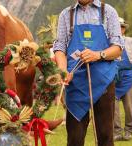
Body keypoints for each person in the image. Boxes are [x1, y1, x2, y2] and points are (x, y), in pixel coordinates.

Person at [53, 0, 123, 145]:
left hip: (103, 82)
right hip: (75, 83)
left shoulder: (108, 11)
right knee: (75, 138)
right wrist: (63, 70)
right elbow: (60, 47)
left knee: (105, 136)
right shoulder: (67, 14)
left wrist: (98, 55)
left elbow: (117, 48)